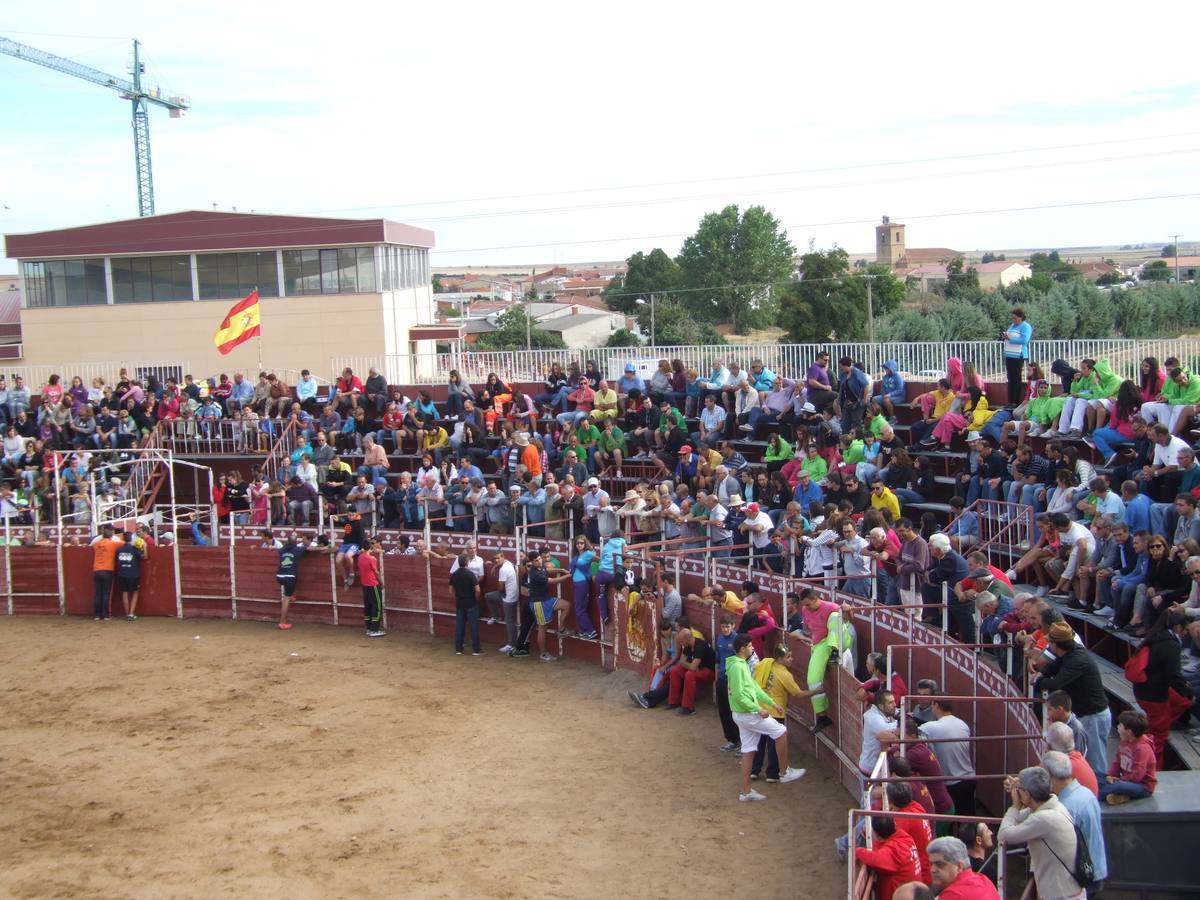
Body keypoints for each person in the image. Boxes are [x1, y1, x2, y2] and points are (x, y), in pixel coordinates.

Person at [726, 634, 806, 801]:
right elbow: (741, 695)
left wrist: (770, 702)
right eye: (750, 646)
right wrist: (757, 709)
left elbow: (754, 688)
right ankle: (784, 772)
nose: (753, 648)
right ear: (742, 649)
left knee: (748, 750)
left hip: (742, 713)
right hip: (748, 713)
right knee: (781, 732)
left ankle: (746, 792)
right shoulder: (738, 667)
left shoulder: (740, 665)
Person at [1033, 621, 1111, 775]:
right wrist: (1042, 673)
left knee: (1095, 763)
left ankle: (1098, 793)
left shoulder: (1077, 660)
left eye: (1050, 643)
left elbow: (1055, 683)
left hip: (1092, 715)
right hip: (1086, 713)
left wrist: (1039, 680)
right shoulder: (1070, 653)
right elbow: (1053, 667)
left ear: (1055, 645)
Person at [997, 766, 1084, 900]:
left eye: (1020, 790)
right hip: (1069, 889)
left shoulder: (1043, 819)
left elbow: (1004, 835)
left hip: (1062, 895)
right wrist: (1020, 787)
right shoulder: (1054, 806)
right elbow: (1019, 817)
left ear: (1027, 794)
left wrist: (1015, 805)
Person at [1132, 608, 1194, 767]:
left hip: (1142, 690)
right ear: (1178, 627)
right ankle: (1151, 770)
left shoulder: (1156, 636)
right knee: (1159, 737)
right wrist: (1188, 691)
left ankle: (1165, 722)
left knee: (1183, 701)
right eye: (1185, 629)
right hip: (1154, 696)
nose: (1187, 633)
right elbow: (1173, 675)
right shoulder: (1170, 644)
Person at [1043, 750, 1107, 885]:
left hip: (1081, 876)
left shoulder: (1065, 807)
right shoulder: (1086, 793)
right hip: (1096, 868)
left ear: (1050, 776)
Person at [798, 588, 855, 733]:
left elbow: (849, 619)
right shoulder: (805, 610)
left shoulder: (832, 607)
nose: (807, 608)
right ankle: (822, 716)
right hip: (820, 645)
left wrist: (848, 610)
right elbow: (809, 628)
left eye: (809, 604)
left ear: (816, 600)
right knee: (813, 680)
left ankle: (835, 651)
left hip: (841, 641)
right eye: (805, 605)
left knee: (836, 617)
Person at [751, 644, 809, 781]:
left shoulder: (766, 663)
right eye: (788, 657)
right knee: (774, 743)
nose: (791, 659)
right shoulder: (785, 674)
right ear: (779, 658)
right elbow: (798, 694)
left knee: (759, 741)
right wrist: (818, 691)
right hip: (775, 711)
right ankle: (772, 774)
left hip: (760, 708)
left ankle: (754, 770)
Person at [919, 699, 976, 816]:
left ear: (936, 705)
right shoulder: (962, 724)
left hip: (952, 783)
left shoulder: (929, 727)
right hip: (969, 779)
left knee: (947, 819)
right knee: (968, 820)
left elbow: (911, 733)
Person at [854, 816, 922, 900]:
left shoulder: (894, 850)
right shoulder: (905, 837)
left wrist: (857, 851)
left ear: (877, 834)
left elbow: (875, 859)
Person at [1100, 710, 1158, 804]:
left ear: (1129, 731)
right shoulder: (1124, 741)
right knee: (1097, 775)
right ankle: (1121, 796)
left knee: (1118, 786)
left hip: (1142, 786)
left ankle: (1096, 796)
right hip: (1125, 780)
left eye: (1120, 725)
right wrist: (1110, 775)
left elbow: (1137, 776)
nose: (1117, 727)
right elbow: (1117, 762)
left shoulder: (1142, 749)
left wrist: (1118, 780)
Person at [926, 836, 1000, 899]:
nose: (933, 870)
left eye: (940, 864)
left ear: (959, 867)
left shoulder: (952, 895)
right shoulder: (983, 879)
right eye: (931, 864)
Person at [484, 551, 520, 653]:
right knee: (488, 596)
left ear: (503, 557)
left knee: (509, 621)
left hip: (508, 597)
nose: (496, 560)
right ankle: (495, 616)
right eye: (495, 559)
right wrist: (495, 566)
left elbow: (500, 587)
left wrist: (496, 568)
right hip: (510, 594)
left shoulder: (504, 569)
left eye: (498, 558)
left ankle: (511, 644)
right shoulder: (508, 563)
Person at [275, 532, 311, 631]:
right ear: (296, 543)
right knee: (285, 599)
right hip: (290, 577)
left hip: (279, 576)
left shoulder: (281, 550)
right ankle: (282, 622)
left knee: (288, 592)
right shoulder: (298, 549)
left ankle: (290, 595)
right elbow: (310, 548)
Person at [450, 553, 483, 656]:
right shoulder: (470, 574)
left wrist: (456, 597)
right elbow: (477, 590)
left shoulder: (454, 574)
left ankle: (459, 649)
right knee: (473, 626)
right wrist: (476, 599)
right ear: (467, 563)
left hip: (460, 603)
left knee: (460, 626)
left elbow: (451, 589)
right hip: (471, 602)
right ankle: (476, 649)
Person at [90, 523, 121, 621]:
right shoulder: (113, 544)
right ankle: (106, 614)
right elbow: (126, 543)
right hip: (107, 570)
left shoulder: (96, 544)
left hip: (97, 570)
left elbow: (90, 546)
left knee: (98, 593)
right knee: (106, 593)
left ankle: (96, 615)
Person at [1002, 308, 1033, 405]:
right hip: (1009, 354)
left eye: (1015, 318)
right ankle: (1010, 401)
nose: (1013, 320)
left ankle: (1015, 401)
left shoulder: (1026, 326)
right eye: (1012, 318)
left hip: (1018, 355)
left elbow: (1024, 340)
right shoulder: (1012, 325)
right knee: (1010, 378)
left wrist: (1010, 339)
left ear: (1021, 317)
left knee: (1016, 378)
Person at [358, 536, 385, 638]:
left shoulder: (360, 556)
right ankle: (374, 630)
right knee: (377, 606)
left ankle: (369, 628)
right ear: (370, 547)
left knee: (368, 606)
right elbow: (376, 572)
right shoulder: (371, 558)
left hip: (365, 585)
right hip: (373, 584)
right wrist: (381, 582)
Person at [115, 530, 144, 621]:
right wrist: (144, 547)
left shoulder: (119, 549)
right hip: (133, 574)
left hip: (122, 573)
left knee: (125, 593)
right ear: (131, 539)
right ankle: (131, 614)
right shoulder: (134, 549)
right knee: (134, 593)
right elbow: (144, 557)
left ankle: (127, 613)